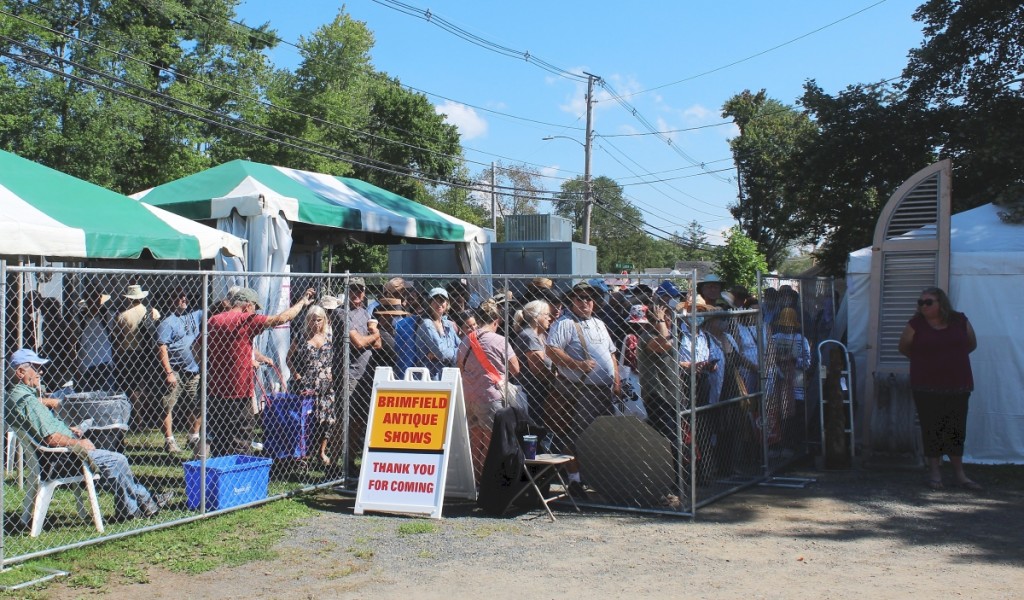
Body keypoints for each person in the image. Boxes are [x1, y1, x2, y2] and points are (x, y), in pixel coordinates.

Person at [6, 348, 173, 521]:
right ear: (20, 372)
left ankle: (143, 502)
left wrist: (68, 430)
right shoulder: (28, 401)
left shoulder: (18, 397)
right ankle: (136, 507)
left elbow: (44, 431)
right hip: (64, 459)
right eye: (36, 367)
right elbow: (51, 438)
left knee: (110, 453)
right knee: (118, 459)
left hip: (56, 456)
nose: (40, 371)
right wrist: (78, 443)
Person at [206, 286, 315, 457]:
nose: (256, 312)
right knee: (241, 441)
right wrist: (302, 302)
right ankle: (240, 478)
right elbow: (282, 318)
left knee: (220, 440)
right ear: (248, 306)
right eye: (255, 308)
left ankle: (220, 475)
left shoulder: (213, 320)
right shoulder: (246, 319)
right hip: (239, 392)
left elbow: (199, 349)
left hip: (215, 391)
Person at [898, 287, 981, 491]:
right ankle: (934, 472)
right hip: (926, 385)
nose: (923, 306)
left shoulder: (959, 320)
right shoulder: (916, 324)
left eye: (928, 302)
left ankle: (960, 474)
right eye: (921, 302)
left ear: (941, 303)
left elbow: (971, 344)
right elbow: (904, 347)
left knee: (956, 428)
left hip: (957, 384)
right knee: (931, 427)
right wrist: (924, 361)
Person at [546, 281, 620, 492]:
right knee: (574, 434)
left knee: (601, 436)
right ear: (572, 300)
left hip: (603, 391)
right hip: (578, 390)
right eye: (580, 298)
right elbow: (551, 350)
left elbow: (612, 354)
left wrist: (616, 381)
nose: (585, 301)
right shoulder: (565, 323)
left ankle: (596, 477)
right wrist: (577, 365)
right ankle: (575, 480)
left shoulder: (599, 323)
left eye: (589, 298)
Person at [455, 299, 521, 480]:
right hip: (491, 396)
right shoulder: (500, 340)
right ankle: (487, 481)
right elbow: (516, 369)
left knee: (475, 440)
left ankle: (475, 480)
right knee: (491, 441)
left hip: (469, 396)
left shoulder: (464, 341)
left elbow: (459, 367)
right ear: (496, 321)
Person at [330, 277, 382, 471]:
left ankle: (349, 461)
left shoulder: (364, 312)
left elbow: (377, 345)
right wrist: (376, 333)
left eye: (360, 290)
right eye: (353, 290)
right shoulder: (341, 313)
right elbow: (358, 342)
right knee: (346, 420)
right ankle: (334, 464)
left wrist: (373, 336)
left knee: (359, 420)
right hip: (348, 373)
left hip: (365, 373)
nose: (357, 294)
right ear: (347, 291)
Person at [155, 288, 204, 456]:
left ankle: (193, 435)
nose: (183, 299)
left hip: (194, 370)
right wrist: (168, 372)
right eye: (178, 296)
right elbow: (161, 347)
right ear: (170, 300)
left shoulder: (194, 315)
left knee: (198, 404)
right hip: (175, 371)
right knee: (167, 406)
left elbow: (212, 310)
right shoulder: (167, 323)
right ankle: (169, 441)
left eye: (184, 296)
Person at [289, 305, 334, 465]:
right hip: (306, 384)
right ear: (308, 321)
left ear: (324, 320)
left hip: (326, 385)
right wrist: (296, 375)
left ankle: (321, 452)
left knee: (326, 420)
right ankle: (304, 452)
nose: (316, 323)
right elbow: (289, 359)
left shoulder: (329, 337)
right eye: (312, 320)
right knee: (307, 421)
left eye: (319, 320)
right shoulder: (300, 337)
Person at [112, 284, 161, 403]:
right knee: (147, 385)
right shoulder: (153, 312)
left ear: (128, 298)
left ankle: (136, 413)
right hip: (149, 352)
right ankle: (147, 413)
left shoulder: (122, 316)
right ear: (142, 297)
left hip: (129, 353)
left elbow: (118, 338)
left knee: (132, 386)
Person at [512, 299, 556, 430]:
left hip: (538, 393)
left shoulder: (540, 336)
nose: (550, 318)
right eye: (546, 314)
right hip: (533, 394)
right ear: (536, 317)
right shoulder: (529, 336)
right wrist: (556, 381)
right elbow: (538, 369)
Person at [75, 285, 116, 393]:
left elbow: (117, 338)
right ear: (87, 299)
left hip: (105, 364)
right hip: (86, 366)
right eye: (91, 297)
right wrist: (76, 366)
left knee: (107, 397)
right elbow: (72, 344)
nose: (95, 301)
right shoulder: (80, 319)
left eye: (97, 297)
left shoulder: (108, 316)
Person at [415, 287, 460, 380]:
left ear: (447, 304)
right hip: (432, 378)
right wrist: (455, 352)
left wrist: (445, 352)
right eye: (435, 300)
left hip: (450, 376)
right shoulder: (427, 324)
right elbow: (441, 352)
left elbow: (462, 347)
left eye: (442, 300)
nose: (438, 304)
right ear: (429, 303)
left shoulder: (448, 324)